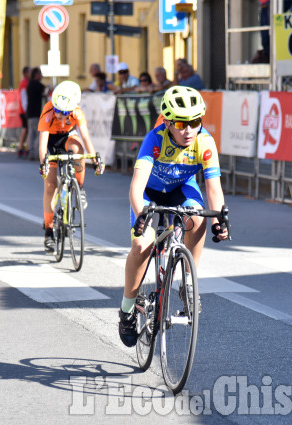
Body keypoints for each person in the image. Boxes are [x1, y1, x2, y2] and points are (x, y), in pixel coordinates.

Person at [118, 86, 228, 347]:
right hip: (149, 192)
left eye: (194, 122)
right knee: (142, 244)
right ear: (167, 122)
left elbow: (214, 188)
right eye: (181, 123)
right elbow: (136, 186)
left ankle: (188, 280)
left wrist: (219, 221)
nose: (188, 129)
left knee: (198, 218)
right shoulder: (154, 139)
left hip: (181, 189)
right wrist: (141, 217)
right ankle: (127, 310)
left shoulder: (205, 141)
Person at [38, 81, 103, 253]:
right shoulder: (48, 111)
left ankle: (79, 188)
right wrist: (43, 163)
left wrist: (95, 159)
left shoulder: (77, 113)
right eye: (58, 110)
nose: (60, 115)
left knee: (78, 150)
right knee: (50, 186)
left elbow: (86, 137)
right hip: (51, 144)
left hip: (67, 138)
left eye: (64, 112)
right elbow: (43, 143)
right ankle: (49, 230)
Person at [26, 67, 47, 161]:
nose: (41, 76)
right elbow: (45, 90)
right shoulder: (37, 84)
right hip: (36, 112)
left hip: (30, 112)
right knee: (38, 133)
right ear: (36, 75)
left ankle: (31, 152)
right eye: (40, 74)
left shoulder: (29, 84)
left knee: (31, 133)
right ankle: (36, 152)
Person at [16, 66, 31, 158]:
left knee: (26, 130)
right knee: (26, 129)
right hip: (24, 110)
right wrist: (26, 110)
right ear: (26, 73)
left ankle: (21, 147)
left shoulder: (25, 82)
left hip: (23, 109)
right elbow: (24, 97)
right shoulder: (24, 83)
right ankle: (23, 148)